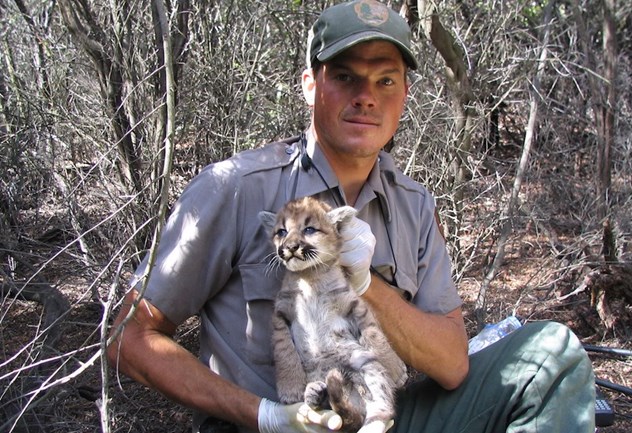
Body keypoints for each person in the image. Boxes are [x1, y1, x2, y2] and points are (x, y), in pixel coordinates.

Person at [108, 1, 596, 432]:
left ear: (404, 93)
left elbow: (450, 363)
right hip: (275, 422)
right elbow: (129, 338)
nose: (366, 96)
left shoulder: (414, 205)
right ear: (310, 85)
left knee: (549, 354)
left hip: (382, 418)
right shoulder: (236, 188)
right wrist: (264, 416)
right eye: (344, 76)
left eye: (385, 80)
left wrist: (362, 284)